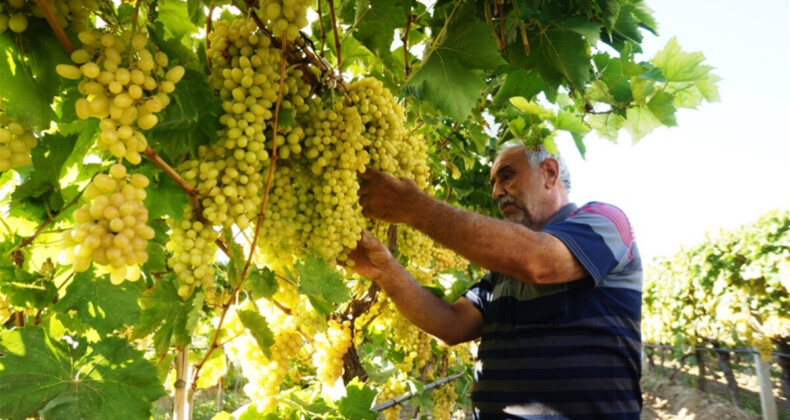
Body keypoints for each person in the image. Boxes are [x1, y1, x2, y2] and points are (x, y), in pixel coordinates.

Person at [347, 143, 643, 419]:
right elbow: (451, 325)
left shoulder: (605, 221)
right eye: (494, 182)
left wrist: (413, 207)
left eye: (507, 175)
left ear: (550, 173)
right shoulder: (503, 273)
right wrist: (384, 269)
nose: (496, 192)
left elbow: (541, 261)